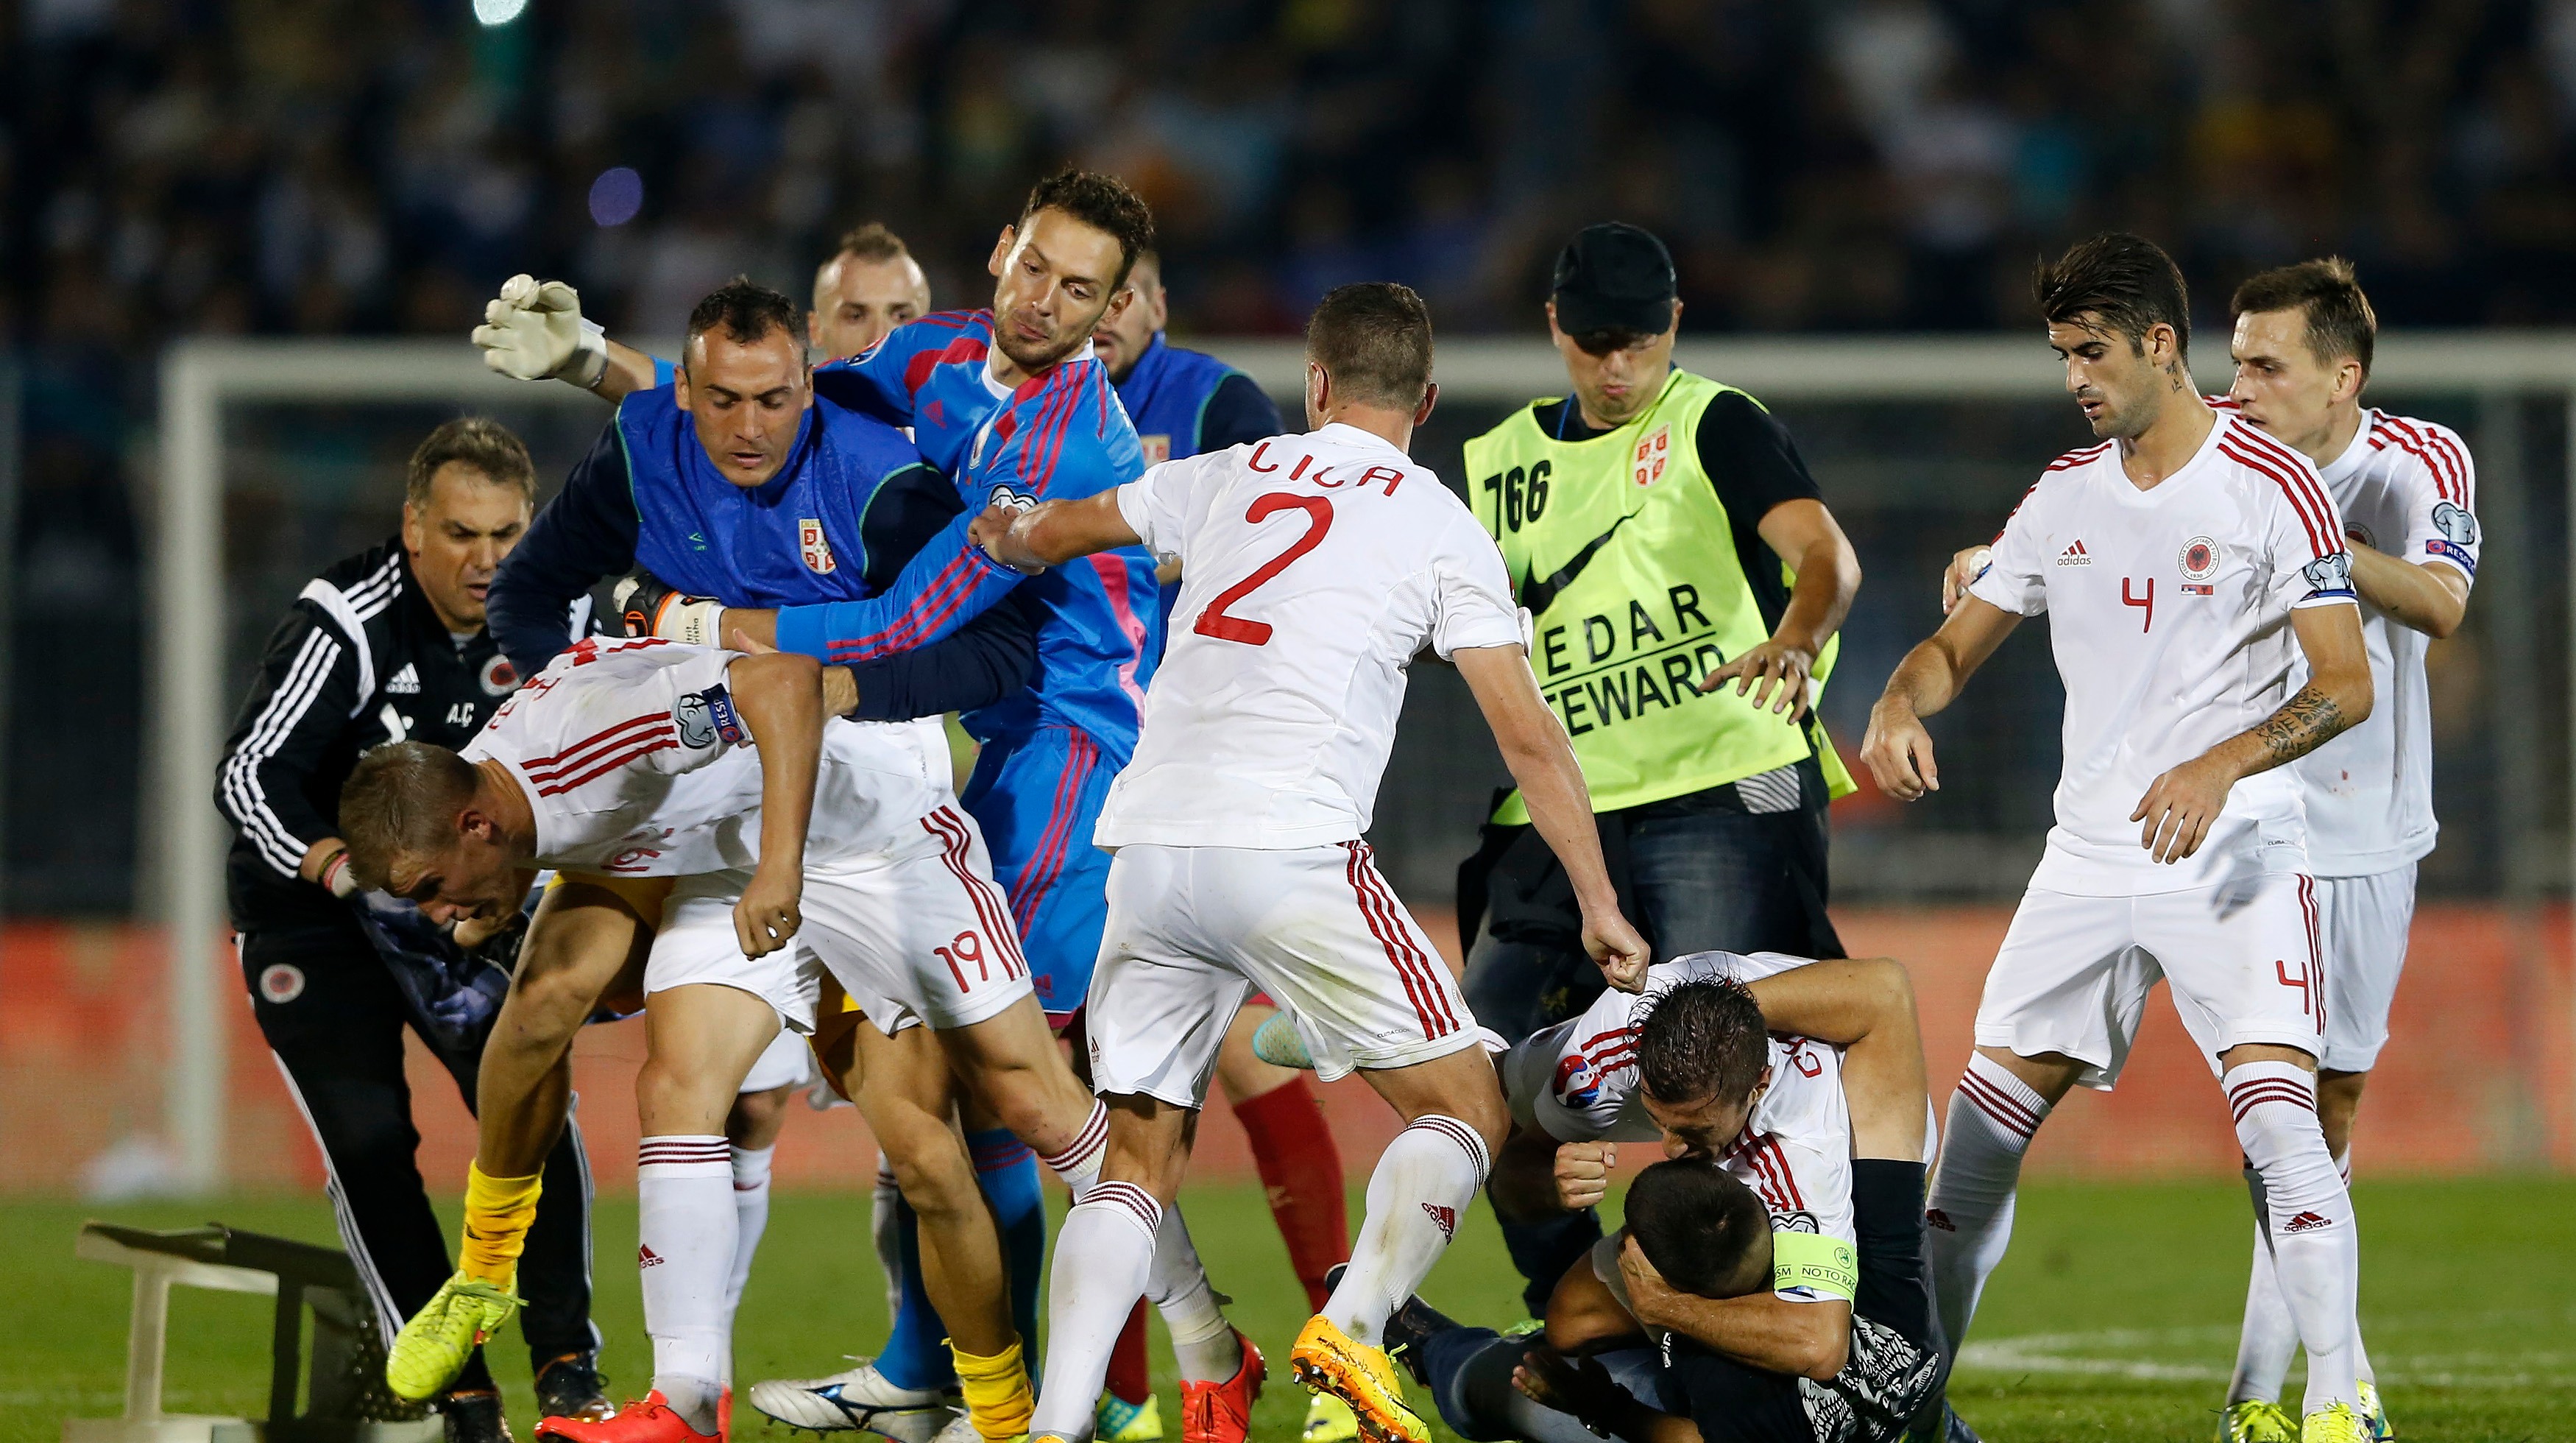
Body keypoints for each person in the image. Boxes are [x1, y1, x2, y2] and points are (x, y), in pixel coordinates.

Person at [536, 176, 1259, 1442]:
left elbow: (903, 621)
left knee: (1013, 1092)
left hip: (1079, 753)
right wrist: (605, 369)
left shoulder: (1065, 444)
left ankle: (1100, 1381)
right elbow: (769, 410)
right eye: (1035, 268)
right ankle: (1030, 1375)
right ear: (1002, 250)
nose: (1043, 302)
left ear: (1111, 310)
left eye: (1079, 290)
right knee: (970, 1099)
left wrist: (697, 624)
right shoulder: (924, 353)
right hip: (998, 746)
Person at [970, 281, 1652, 1443]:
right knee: (1466, 1108)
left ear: (1316, 384)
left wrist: (1002, 526)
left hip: (1147, 844)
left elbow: (1056, 529)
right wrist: (1598, 900)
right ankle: (1358, 1318)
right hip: (1288, 845)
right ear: (1426, 399)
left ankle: (1056, 1427)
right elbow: (1527, 732)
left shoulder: (1232, 470)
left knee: (1133, 1160)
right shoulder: (1438, 523)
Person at [1931, 256, 2473, 1443]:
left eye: (2271, 367)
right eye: (2235, 362)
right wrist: (1995, 559)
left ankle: (2296, 1393)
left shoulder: (2416, 460)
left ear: (2346, 377)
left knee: (2320, 1117)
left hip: (2362, 824)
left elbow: (2438, 607)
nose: (2246, 385)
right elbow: (2117, 501)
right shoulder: (2221, 445)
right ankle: (2280, 1403)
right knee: (2278, 1122)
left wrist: (2305, 535)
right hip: (2234, 828)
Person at [344, 632, 1036, 1443]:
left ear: (476, 827)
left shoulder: (592, 744)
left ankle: (1005, 1418)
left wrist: (781, 866)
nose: (437, 914)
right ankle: (662, 1388)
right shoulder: (495, 800)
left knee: (926, 1151)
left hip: (852, 828)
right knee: (593, 1036)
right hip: (719, 851)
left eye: (432, 889)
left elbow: (783, 684)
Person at [1454, 217, 1865, 1321]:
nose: (1617, 363)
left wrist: (1800, 636)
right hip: (1562, 821)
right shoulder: (1496, 468)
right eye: (1594, 341)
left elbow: (1826, 556)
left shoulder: (1715, 422)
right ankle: (1584, 1316)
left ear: (1674, 324)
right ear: (1555, 329)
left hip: (1722, 790)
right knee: (1477, 1077)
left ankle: (1811, 1313)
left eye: (1637, 339)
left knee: (1753, 1065)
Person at [213, 418, 611, 1442]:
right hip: (313, 917)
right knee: (372, 1144)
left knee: (530, 1101)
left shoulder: (557, 614)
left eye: (507, 534)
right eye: (462, 534)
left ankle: (568, 1367)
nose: (487, 561)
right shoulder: (347, 618)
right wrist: (351, 875)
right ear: (412, 529)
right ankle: (460, 1394)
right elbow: (251, 775)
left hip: (456, 914)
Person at [1091, 244, 1356, 1443]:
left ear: (1151, 301)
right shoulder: (1018, 411)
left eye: (1121, 292)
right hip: (1076, 782)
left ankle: (1342, 1347)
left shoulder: (1211, 405)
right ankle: (1149, 1385)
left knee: (1249, 1063)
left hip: (1195, 777)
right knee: (1084, 1084)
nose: (1101, 316)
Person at [1392, 961, 1947, 1443]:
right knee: (1567, 1322)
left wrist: (1612, 1400)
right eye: (1661, 1121)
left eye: (1696, 1130)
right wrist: (1711, 1018)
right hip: (1878, 1333)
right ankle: (1939, 1428)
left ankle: (1444, 1357)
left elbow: (1815, 1344)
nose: (1672, 1149)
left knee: (1535, 1384)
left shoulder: (1735, 1376)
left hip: (1783, 1347)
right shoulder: (1612, 1049)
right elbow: (1885, 988)